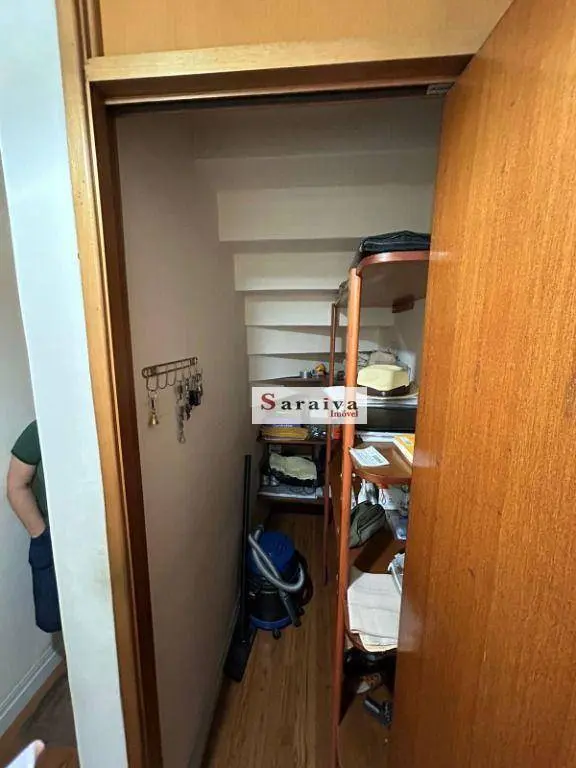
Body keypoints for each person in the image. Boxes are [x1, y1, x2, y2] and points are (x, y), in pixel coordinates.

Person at [6, 421, 61, 633]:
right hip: (52, 538)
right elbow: (16, 486)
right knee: (53, 616)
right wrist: (40, 534)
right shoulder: (41, 428)